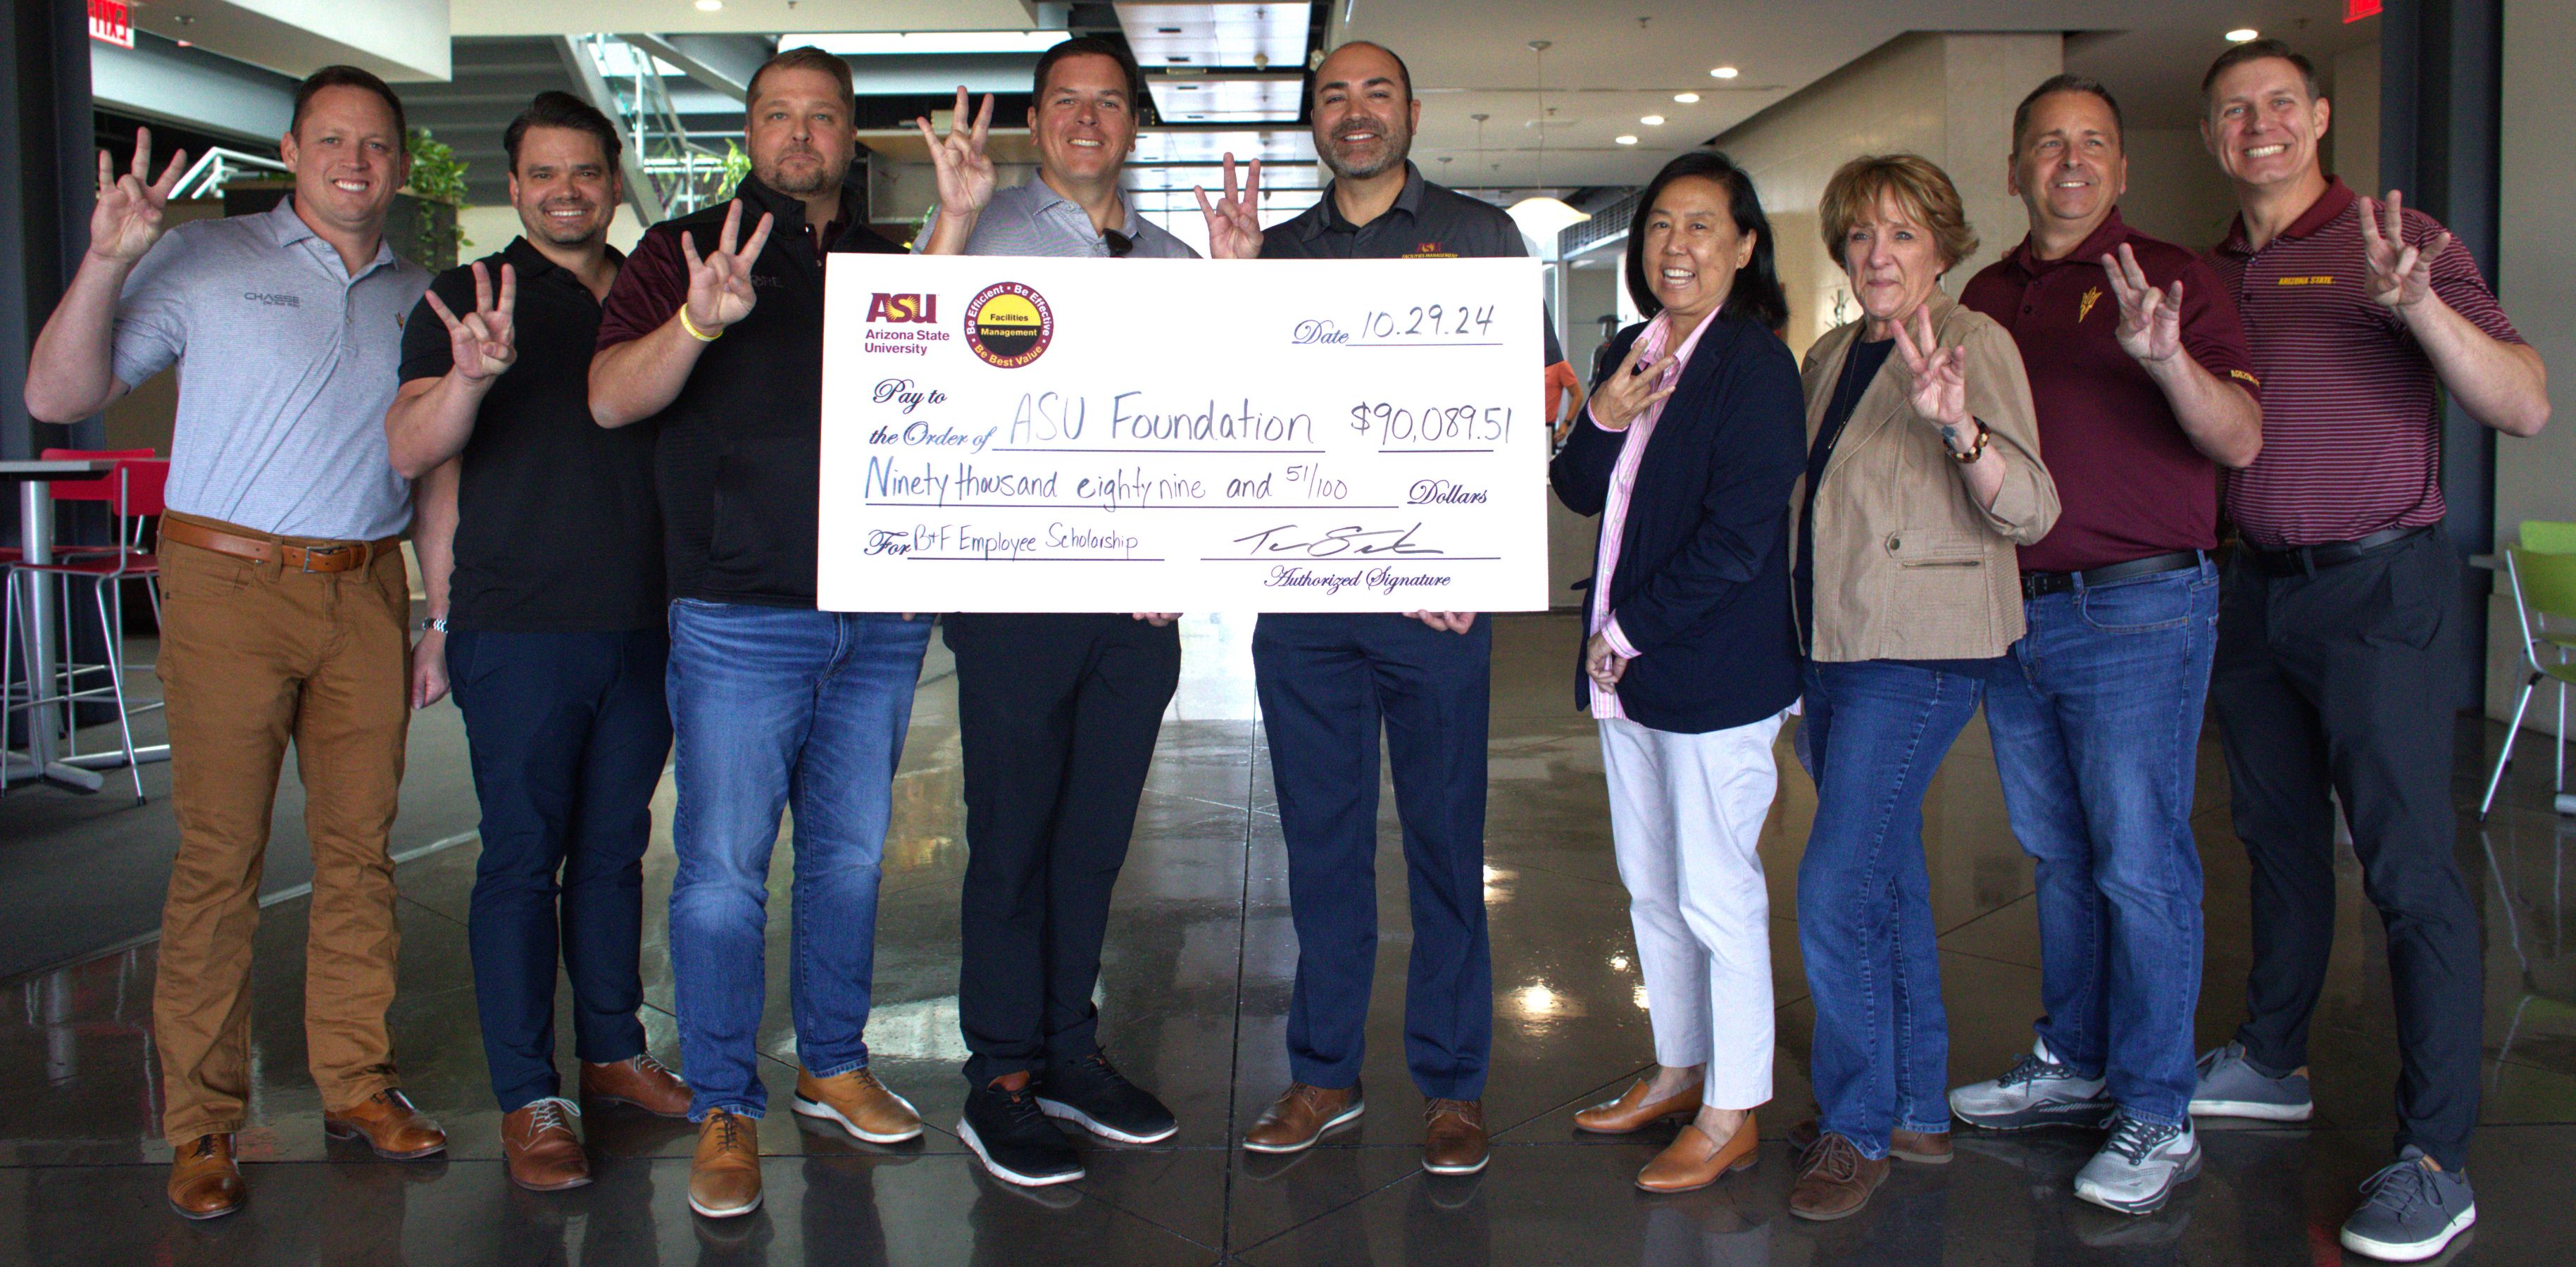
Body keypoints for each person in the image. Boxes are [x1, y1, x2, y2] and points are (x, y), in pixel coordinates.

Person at [23, 65, 447, 1221]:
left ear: (400, 163)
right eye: (329, 142)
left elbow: (438, 466)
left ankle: (358, 1083)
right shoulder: (207, 260)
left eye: (374, 145)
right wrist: (109, 256)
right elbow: (59, 392)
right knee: (220, 861)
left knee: (361, 855)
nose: (353, 163)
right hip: (225, 582)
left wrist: (439, 612)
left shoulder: (424, 292)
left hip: (364, 587)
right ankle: (204, 1122)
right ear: (292, 150)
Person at [2191, 39, 2548, 1262]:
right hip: (2253, 594)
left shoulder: (2402, 240)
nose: (2259, 126)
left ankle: (2435, 1155)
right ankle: (2274, 1058)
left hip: (2376, 586)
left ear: (2321, 117)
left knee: (2405, 870)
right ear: (2210, 138)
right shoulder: (2211, 268)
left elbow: (2523, 403)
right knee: (2274, 843)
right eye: (2235, 111)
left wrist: (2417, 306)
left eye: (2280, 104)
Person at [588, 46, 933, 1221]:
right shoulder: (682, 248)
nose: (800, 136)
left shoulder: (894, 264)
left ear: (849, 135)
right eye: (777, 116)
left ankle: (832, 1065)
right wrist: (697, 319)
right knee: (726, 872)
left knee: (846, 857)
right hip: (738, 614)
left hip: (879, 615)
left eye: (821, 118)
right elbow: (609, 398)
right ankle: (725, 1104)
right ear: (750, 130)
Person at [906, 35, 1245, 1187]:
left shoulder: (1166, 257)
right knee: (1011, 840)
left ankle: (1066, 1050)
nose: (1088, 119)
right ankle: (997, 1076)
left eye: (1109, 102)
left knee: (1094, 844)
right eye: (1066, 102)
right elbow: (897, 353)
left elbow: (1212, 418)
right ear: (1037, 121)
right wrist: (950, 220)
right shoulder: (984, 232)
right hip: (1012, 602)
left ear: (1133, 127)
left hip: (1135, 616)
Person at [1203, 39, 1539, 1177]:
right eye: (1334, 96)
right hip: (1303, 606)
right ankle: (1322, 1075)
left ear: (1410, 110)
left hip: (1432, 603)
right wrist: (1232, 294)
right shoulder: (1280, 251)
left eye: (1376, 93)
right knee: (1322, 849)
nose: (1355, 113)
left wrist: (1473, 560)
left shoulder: (1482, 237)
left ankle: (1451, 1086)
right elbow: (1231, 411)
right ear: (1314, 118)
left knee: (1446, 846)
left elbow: (1525, 410)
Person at [1942, 75, 2263, 1216]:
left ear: (2121, 170)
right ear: (2016, 165)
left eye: (2092, 144)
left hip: (2139, 609)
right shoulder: (1981, 295)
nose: (2069, 162)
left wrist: (2163, 357)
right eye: (2046, 144)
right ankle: (2073, 1063)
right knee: (2057, 855)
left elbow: (2239, 438)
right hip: (2016, 612)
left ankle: (2156, 1109)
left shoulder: (2177, 279)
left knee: (2138, 861)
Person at [383, 92, 691, 1194]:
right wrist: (469, 375)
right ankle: (530, 1095)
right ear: (512, 188)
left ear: (615, 182)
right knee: (521, 859)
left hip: (648, 629)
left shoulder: (661, 293)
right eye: (542, 174)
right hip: (518, 629)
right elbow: (414, 449)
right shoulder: (467, 295)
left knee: (613, 853)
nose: (567, 191)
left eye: (586, 173)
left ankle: (610, 1054)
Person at [1789, 154, 2058, 1222]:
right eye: (1860, 235)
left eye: (1901, 234)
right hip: (1833, 645)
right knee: (1884, 879)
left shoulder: (1973, 341)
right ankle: (1913, 1109)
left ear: (1942, 247)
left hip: (1923, 647)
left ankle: (1854, 1130)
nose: (1877, 255)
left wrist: (1961, 427)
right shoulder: (1824, 354)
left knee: (1833, 885)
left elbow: (2029, 506)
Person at [1549, 151, 1805, 1194]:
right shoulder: (1629, 349)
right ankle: (1676, 1070)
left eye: (1702, 225)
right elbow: (1574, 489)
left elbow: (1739, 536)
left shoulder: (1750, 367)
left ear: (1744, 247)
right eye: (1659, 225)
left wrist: (1629, 630)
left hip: (1707, 677)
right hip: (1631, 678)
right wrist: (1604, 410)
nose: (1675, 245)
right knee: (1652, 890)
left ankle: (1734, 1105)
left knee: (1717, 894)